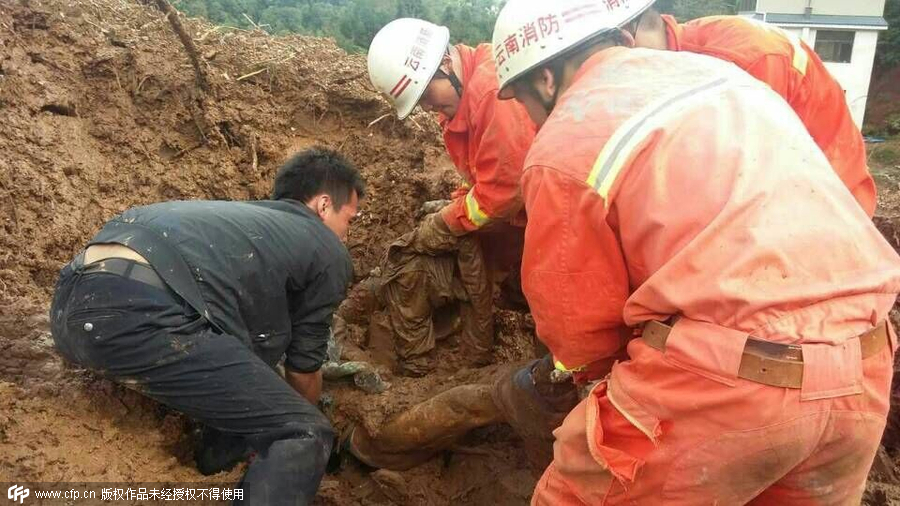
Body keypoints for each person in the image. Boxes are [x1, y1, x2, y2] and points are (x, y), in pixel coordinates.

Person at [491, 0, 900, 504]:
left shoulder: (564, 143)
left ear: (546, 80)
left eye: (523, 101)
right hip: (866, 365)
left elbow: (580, 333)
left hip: (730, 386)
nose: (529, 118)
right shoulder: (720, 76)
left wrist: (590, 386)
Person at [50, 147, 364, 506]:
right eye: (350, 220)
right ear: (324, 206)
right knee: (304, 433)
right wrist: (309, 424)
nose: (346, 236)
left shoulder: (237, 224)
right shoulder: (325, 248)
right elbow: (303, 368)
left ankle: (216, 461)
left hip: (69, 308)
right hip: (136, 315)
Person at [365, 18, 536, 374]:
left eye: (427, 96)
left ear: (445, 64)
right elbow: (482, 176)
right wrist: (458, 204)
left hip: (545, 213)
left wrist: (447, 222)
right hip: (524, 210)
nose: (428, 107)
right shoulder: (459, 102)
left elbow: (503, 191)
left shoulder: (490, 94)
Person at [626, 6, 876, 216]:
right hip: (787, 194)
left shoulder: (741, 63)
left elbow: (745, 182)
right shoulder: (677, 60)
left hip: (831, 203)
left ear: (626, 37)